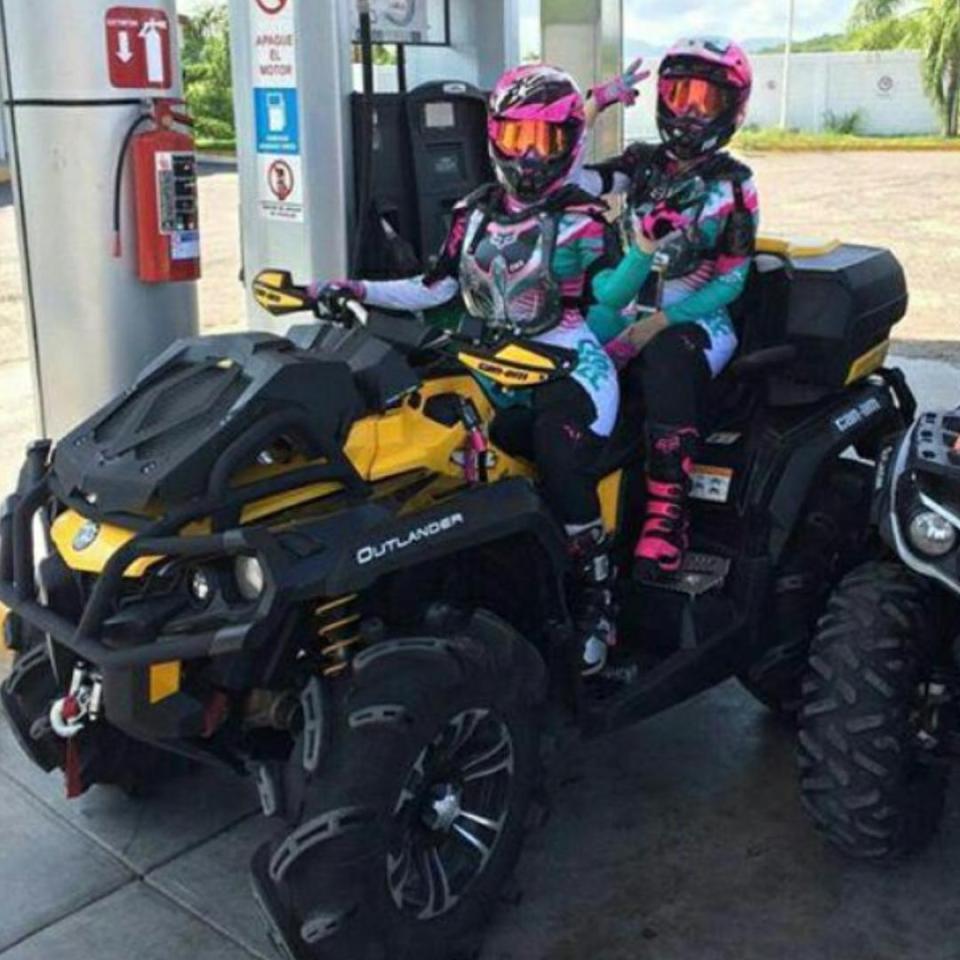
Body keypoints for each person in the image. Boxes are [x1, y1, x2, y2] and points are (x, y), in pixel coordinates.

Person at [313, 65, 626, 675]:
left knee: (555, 455)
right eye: (516, 138)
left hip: (570, 367)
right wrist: (352, 287)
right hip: (486, 360)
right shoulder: (473, 211)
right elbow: (432, 287)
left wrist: (640, 254)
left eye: (546, 141)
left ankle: (598, 598)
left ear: (572, 144)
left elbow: (615, 300)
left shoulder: (588, 218)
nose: (530, 156)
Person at [579, 38, 761, 580]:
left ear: (732, 110)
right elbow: (569, 179)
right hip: (632, 306)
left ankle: (667, 515)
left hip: (697, 321)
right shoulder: (641, 164)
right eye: (677, 94)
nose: (687, 112)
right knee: (571, 349)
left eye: (704, 100)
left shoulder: (736, 185)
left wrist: (661, 322)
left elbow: (733, 282)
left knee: (665, 358)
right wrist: (596, 104)